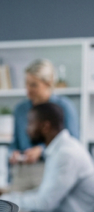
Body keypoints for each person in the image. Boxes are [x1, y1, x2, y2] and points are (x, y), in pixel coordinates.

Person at [10, 59, 80, 192]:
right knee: (12, 209)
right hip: (22, 172)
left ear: (48, 83)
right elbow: (15, 143)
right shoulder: (20, 109)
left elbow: (73, 143)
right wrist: (13, 153)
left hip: (50, 169)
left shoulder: (64, 107)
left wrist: (41, 151)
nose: (28, 91)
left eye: (34, 85)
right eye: (26, 84)